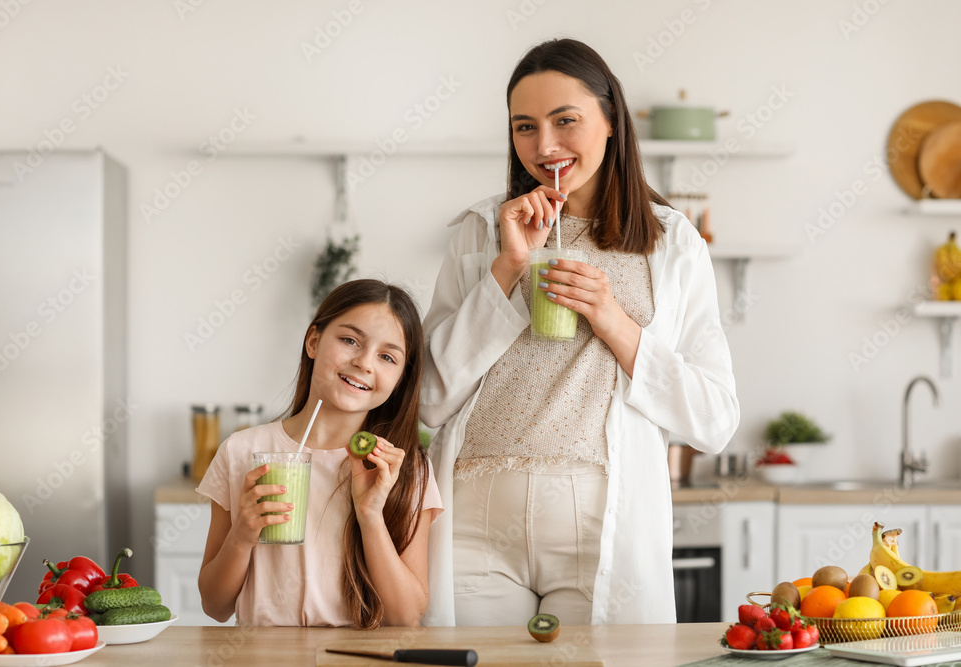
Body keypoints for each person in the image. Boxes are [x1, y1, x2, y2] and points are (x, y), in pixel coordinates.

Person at [420, 39, 739, 626]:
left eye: (566, 121)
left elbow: (714, 419)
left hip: (601, 524)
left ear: (612, 120)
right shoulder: (480, 231)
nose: (545, 146)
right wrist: (508, 268)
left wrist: (615, 322)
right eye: (524, 126)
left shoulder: (670, 242)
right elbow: (429, 397)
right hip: (474, 522)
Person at [197, 279, 443, 628]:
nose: (364, 363)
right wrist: (242, 534)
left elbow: (405, 616)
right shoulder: (242, 451)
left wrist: (370, 514)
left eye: (387, 356)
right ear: (313, 341)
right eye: (349, 340)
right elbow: (214, 605)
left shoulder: (402, 468)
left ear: (401, 378)